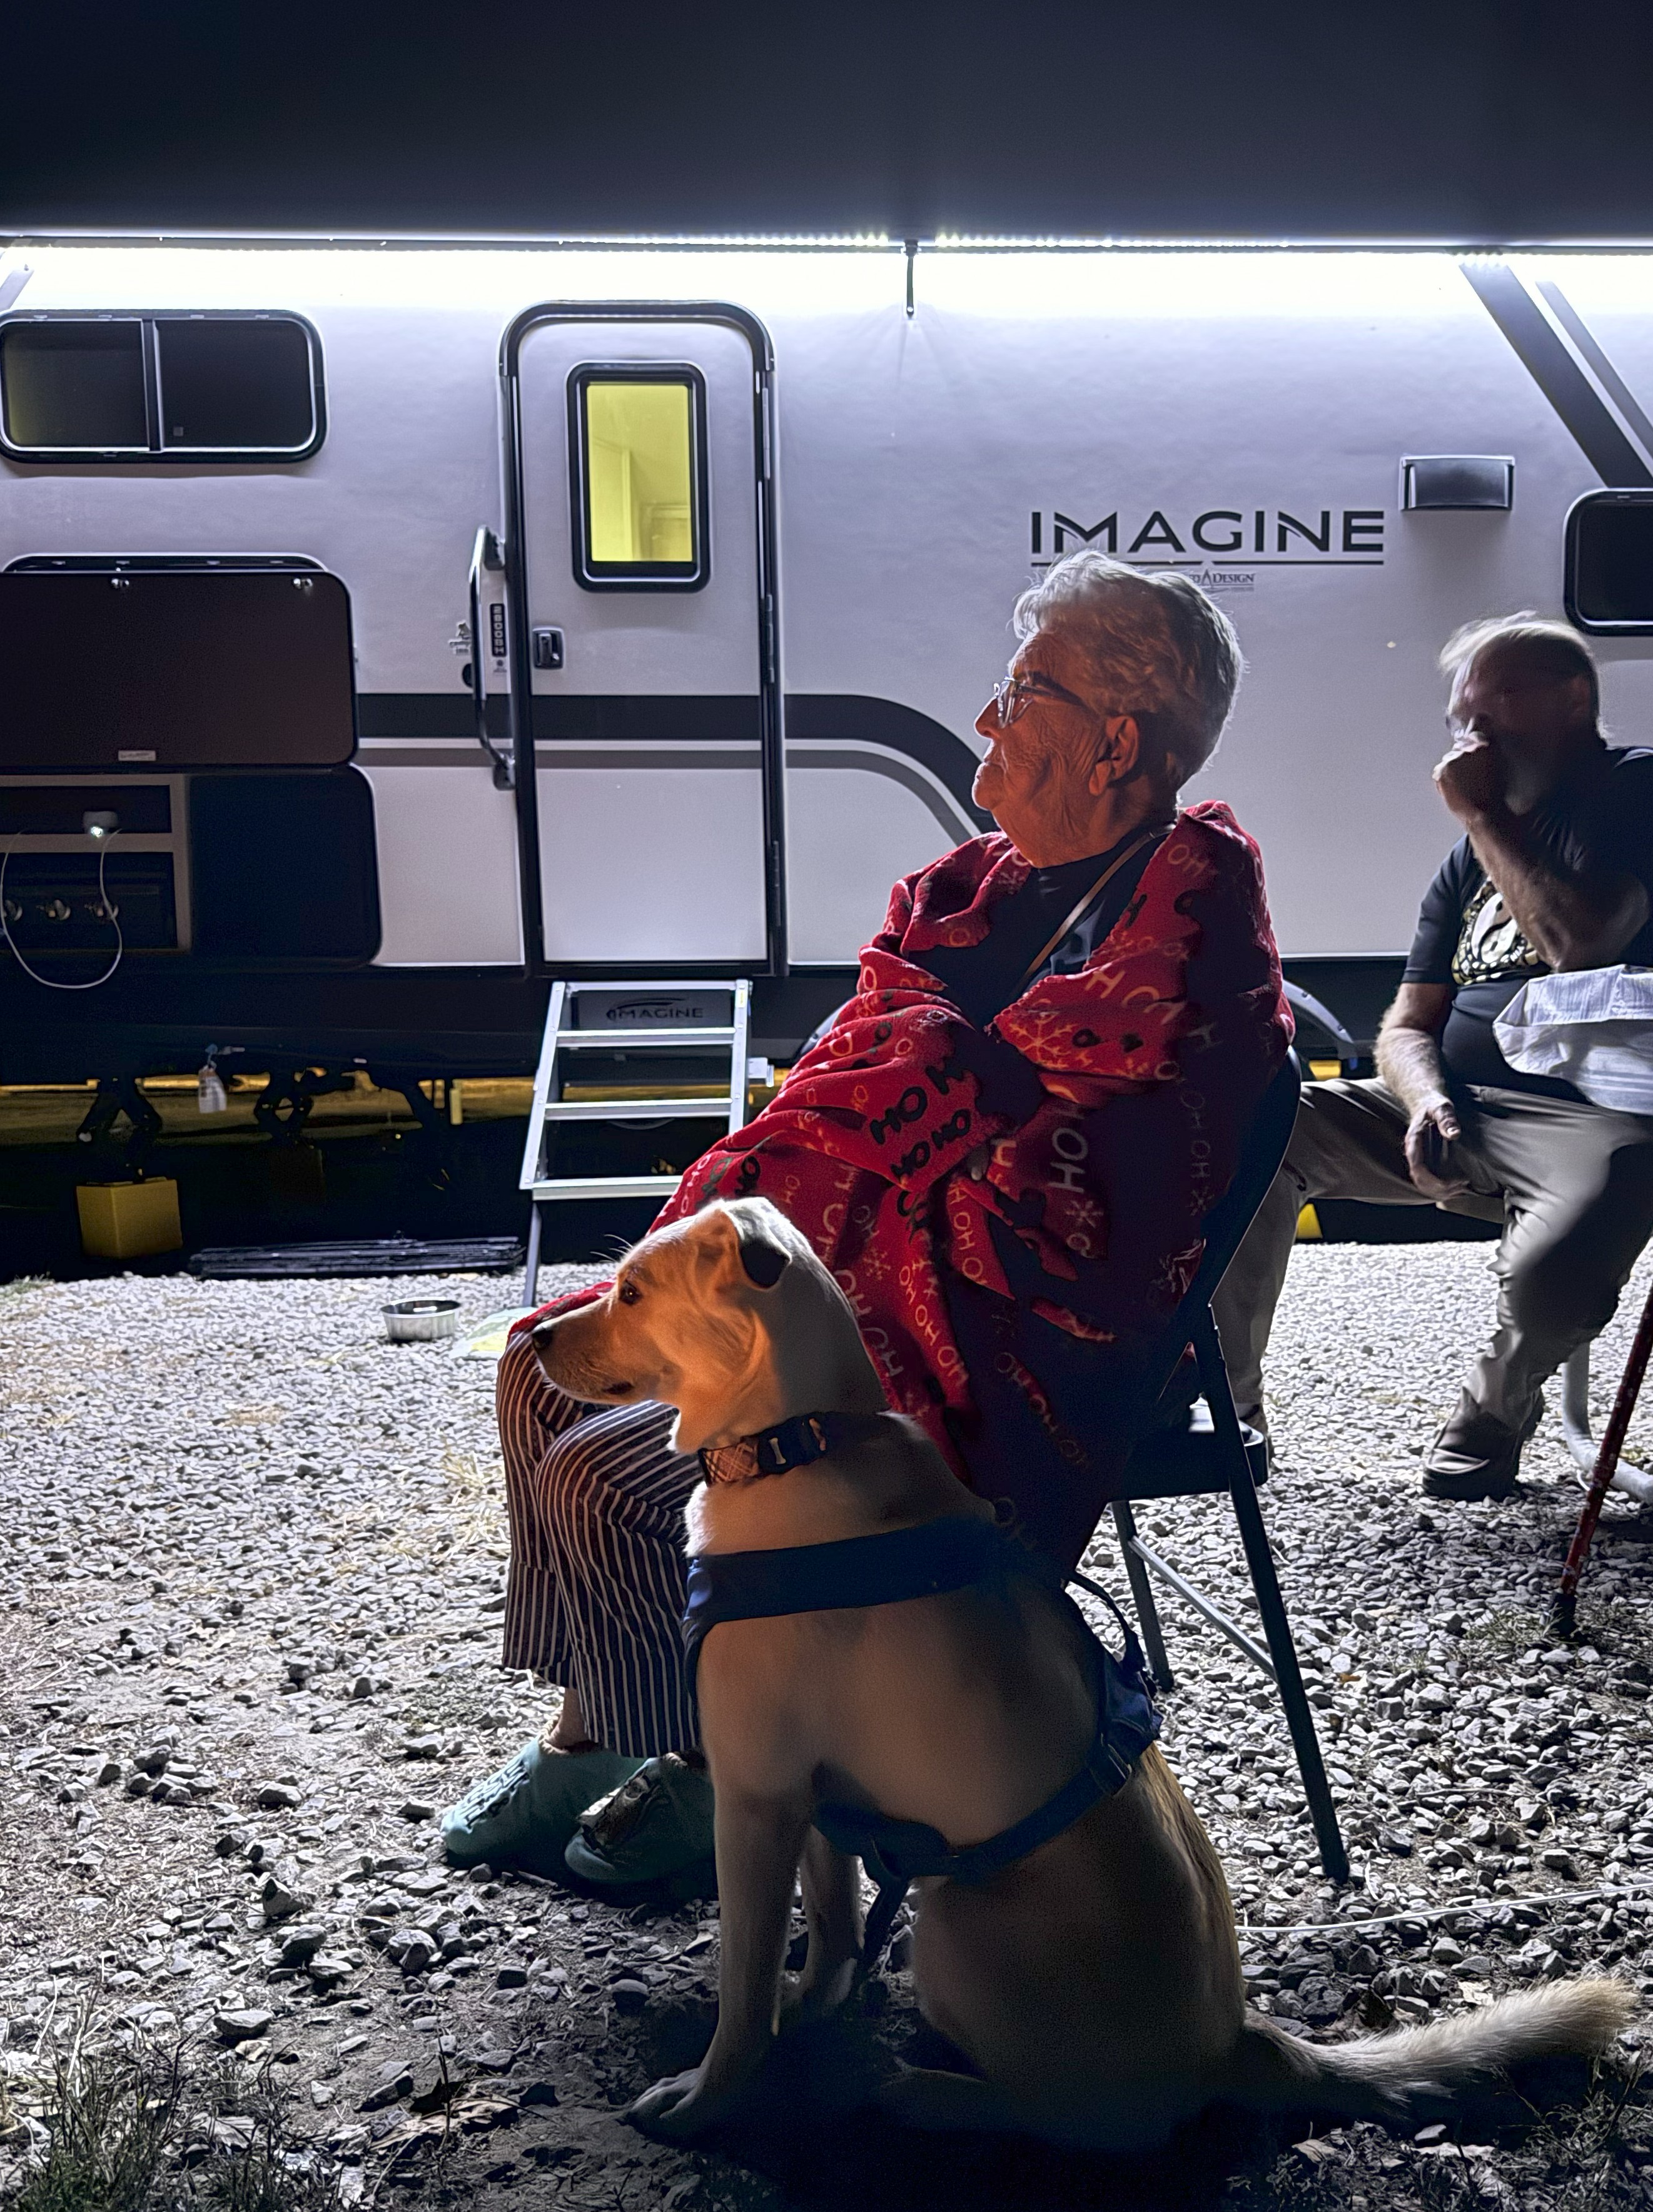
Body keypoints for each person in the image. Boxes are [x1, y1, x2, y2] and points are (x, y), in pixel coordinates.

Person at [442, 551, 1292, 1885]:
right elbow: (849, 1097)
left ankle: (734, 1768)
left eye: (1026, 693)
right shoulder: (972, 900)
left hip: (1005, 1363)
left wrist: (905, 1108)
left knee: (605, 1476)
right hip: (854, 1294)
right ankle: (600, 1729)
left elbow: (1073, 1232)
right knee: (537, 1369)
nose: (989, 719)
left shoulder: (1188, 955)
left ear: (1117, 743)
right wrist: (897, 1110)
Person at [1214, 612, 1653, 1501]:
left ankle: (1493, 1414)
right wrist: (1427, 1101)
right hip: (1461, 1107)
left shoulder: (1638, 787)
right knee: (1249, 1129)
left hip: (1605, 1114)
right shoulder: (1469, 860)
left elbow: (1581, 945)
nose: (1471, 735)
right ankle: (1226, 1415)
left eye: (1495, 709)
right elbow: (1408, 1025)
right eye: (1461, 718)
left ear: (1573, 700)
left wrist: (1484, 816)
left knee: (1564, 1259)